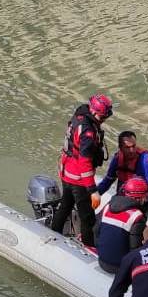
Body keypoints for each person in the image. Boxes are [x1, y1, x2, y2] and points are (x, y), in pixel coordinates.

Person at [51, 94, 113, 246]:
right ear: (93, 111)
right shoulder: (87, 132)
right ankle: (88, 247)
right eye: (102, 116)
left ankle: (53, 232)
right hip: (77, 178)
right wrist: (92, 190)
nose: (104, 119)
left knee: (65, 205)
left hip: (66, 171)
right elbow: (84, 162)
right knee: (87, 217)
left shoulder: (80, 115)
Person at [96, 131, 148, 227]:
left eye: (134, 146)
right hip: (126, 195)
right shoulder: (117, 159)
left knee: (136, 222)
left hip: (145, 199)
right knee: (102, 216)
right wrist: (95, 194)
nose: (132, 150)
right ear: (120, 148)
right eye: (128, 147)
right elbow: (108, 180)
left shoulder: (145, 161)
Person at [94, 177, 148, 274]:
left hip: (101, 260)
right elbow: (135, 249)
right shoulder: (136, 216)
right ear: (139, 197)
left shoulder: (107, 207)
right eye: (145, 196)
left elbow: (96, 231)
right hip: (119, 266)